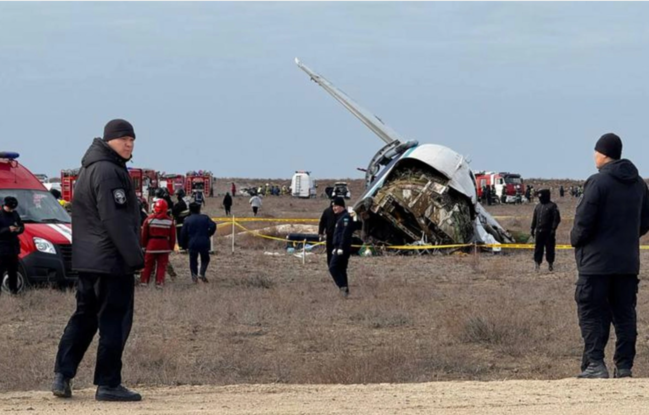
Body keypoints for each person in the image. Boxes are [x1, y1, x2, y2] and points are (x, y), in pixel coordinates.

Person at [52, 119, 144, 402]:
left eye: (132, 139)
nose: (129, 144)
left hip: (88, 260)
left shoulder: (89, 168)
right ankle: (108, 384)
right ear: (109, 141)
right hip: (111, 261)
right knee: (114, 321)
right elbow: (114, 219)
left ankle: (62, 375)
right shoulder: (109, 171)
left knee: (84, 318)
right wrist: (135, 258)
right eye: (123, 139)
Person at [570, 133, 649, 379]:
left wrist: (577, 240)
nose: (594, 155)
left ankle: (595, 364)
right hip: (627, 263)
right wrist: (626, 239)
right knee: (625, 315)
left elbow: (583, 221)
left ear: (603, 153)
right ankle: (624, 367)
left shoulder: (597, 183)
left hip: (596, 264)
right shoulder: (639, 184)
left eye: (596, 151)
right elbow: (645, 220)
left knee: (592, 313)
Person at [140, 199, 176, 288]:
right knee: (162, 266)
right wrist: (171, 247)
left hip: (151, 245)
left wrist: (144, 245)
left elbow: (144, 235)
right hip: (164, 246)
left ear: (155, 208)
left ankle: (144, 282)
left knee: (147, 265)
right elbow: (172, 237)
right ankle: (159, 283)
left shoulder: (149, 220)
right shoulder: (170, 221)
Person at [180, 202, 216, 283]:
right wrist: (209, 234)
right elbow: (213, 226)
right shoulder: (205, 218)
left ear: (190, 209)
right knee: (205, 258)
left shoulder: (187, 220)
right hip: (204, 241)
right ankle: (202, 272)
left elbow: (183, 233)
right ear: (199, 209)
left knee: (193, 260)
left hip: (192, 242)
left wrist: (183, 245)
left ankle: (194, 277)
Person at [328, 197, 354, 297]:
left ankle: (342, 286)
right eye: (333, 206)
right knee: (341, 269)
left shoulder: (346, 217)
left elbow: (345, 234)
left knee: (333, 267)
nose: (334, 208)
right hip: (339, 247)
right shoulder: (340, 217)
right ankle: (345, 291)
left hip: (342, 248)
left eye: (336, 206)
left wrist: (341, 247)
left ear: (342, 206)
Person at [531, 189, 561, 272]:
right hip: (539, 232)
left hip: (548, 232)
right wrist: (532, 228)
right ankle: (537, 263)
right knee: (538, 248)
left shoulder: (552, 206)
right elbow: (535, 218)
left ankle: (550, 263)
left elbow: (557, 219)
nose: (540, 198)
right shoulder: (538, 206)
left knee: (550, 248)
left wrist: (553, 229)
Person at [0, 196, 24, 295]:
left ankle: (14, 292)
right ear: (5, 205)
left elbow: (21, 226)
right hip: (1, 249)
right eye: (10, 208)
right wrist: (8, 229)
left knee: (13, 272)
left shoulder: (15, 214)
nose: (11, 210)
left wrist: (19, 229)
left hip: (13, 248)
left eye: (13, 208)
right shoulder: (0, 215)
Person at [318, 200, 339, 266]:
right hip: (329, 235)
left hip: (338, 235)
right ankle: (330, 264)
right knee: (330, 251)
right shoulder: (327, 212)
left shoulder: (340, 212)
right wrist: (320, 233)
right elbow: (322, 223)